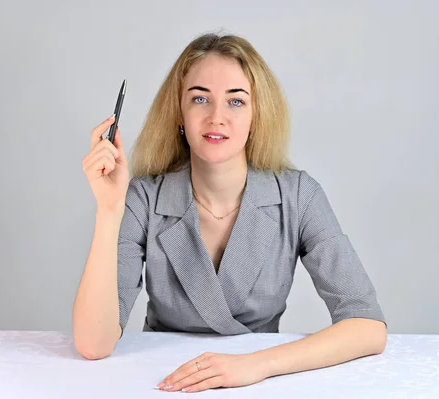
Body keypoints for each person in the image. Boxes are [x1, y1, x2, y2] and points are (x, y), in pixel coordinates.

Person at [73, 32, 387, 393]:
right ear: (179, 112)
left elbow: (367, 324)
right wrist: (109, 209)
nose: (216, 117)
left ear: (256, 114)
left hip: (261, 384)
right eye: (200, 98)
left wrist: (258, 365)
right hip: (162, 382)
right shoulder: (143, 198)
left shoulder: (299, 195)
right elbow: (93, 344)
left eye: (235, 102)